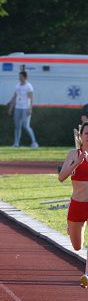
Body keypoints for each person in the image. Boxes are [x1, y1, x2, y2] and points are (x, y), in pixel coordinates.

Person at [59, 122, 88, 287]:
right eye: (87, 133)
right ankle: (71, 229)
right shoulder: (73, 154)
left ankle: (87, 276)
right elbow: (61, 177)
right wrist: (77, 163)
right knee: (77, 246)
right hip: (77, 205)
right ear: (81, 136)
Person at [8, 70, 39, 148]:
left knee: (26, 125)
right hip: (18, 107)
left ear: (25, 77)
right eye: (19, 77)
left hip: (26, 108)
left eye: (21, 77)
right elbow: (15, 97)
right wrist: (11, 107)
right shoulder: (17, 86)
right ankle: (16, 143)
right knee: (17, 126)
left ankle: (34, 142)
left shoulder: (29, 86)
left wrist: (30, 108)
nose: (20, 78)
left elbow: (31, 98)